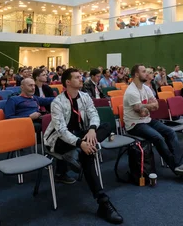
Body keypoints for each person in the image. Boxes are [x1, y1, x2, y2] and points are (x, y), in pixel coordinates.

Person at [43, 68, 123, 224]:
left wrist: (92, 130)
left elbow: (94, 114)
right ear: (68, 82)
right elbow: (61, 131)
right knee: (88, 152)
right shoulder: (57, 102)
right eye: (78, 77)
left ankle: (78, 152)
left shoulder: (85, 96)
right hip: (59, 141)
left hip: (82, 134)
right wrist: (81, 143)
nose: (82, 79)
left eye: (81, 76)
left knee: (106, 126)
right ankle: (103, 202)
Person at [124, 64, 183, 177]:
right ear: (136, 74)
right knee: (158, 137)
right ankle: (176, 167)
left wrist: (145, 107)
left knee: (170, 132)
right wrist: (148, 107)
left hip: (146, 120)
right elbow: (141, 111)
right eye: (144, 71)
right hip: (134, 125)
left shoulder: (146, 88)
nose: (147, 74)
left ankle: (180, 164)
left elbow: (156, 105)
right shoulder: (131, 91)